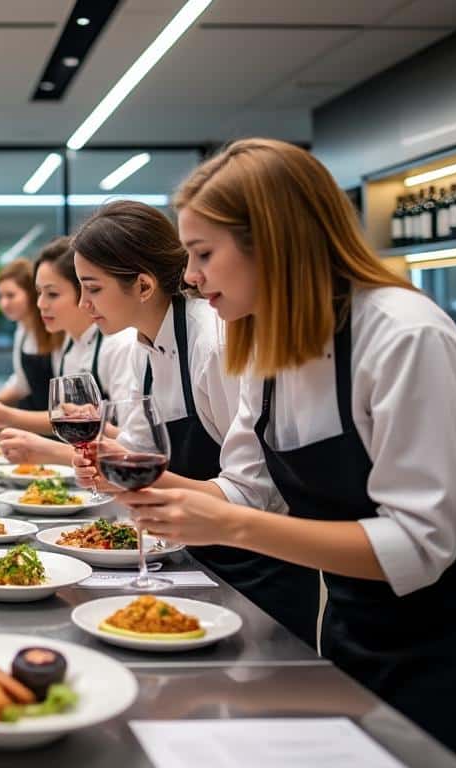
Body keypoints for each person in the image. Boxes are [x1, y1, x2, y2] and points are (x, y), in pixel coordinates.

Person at [91, 139, 456, 767]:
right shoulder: (269, 343)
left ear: (272, 242)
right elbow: (244, 485)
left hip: (453, 636)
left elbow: (420, 544)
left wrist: (233, 525)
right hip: (352, 617)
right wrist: (148, 490)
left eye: (204, 254)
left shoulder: (406, 337)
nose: (189, 277)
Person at [68, 200, 319, 646]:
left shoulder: (214, 343)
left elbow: (253, 493)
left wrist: (131, 475)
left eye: (92, 288)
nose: (83, 304)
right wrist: (111, 470)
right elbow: (141, 457)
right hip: (190, 558)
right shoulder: (138, 349)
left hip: (254, 572)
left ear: (143, 285)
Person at [0, 237, 129, 436]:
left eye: (52, 294)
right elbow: (65, 418)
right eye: (39, 293)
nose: (40, 304)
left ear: (85, 291)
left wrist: (7, 416)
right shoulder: (68, 344)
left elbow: (131, 442)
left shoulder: (118, 345)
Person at [0, 258, 60, 410]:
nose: (4, 304)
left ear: (31, 293)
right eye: (0, 297)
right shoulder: (21, 331)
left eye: (10, 295)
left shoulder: (56, 330)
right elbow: (22, 384)